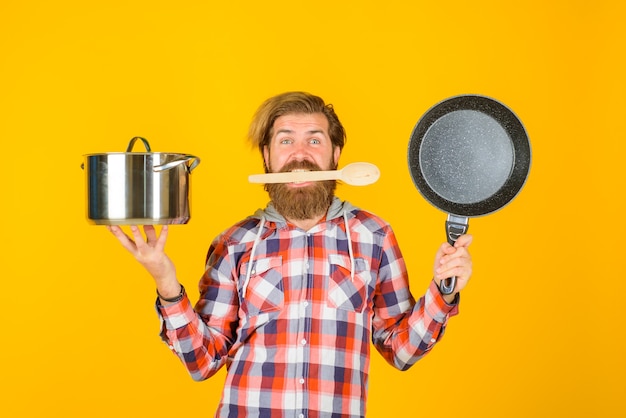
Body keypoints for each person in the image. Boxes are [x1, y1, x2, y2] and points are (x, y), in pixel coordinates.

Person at [107, 91, 473, 418]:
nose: (300, 155)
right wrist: (166, 282)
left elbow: (401, 351)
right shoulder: (235, 243)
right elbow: (202, 362)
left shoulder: (374, 236)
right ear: (267, 157)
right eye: (286, 141)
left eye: (314, 140)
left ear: (336, 154)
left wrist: (443, 292)